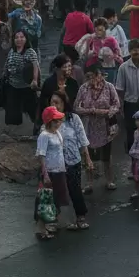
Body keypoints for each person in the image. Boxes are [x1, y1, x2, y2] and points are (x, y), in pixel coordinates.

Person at [75, 61, 121, 192]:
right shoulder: (83, 88)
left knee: (106, 155)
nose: (92, 80)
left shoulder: (109, 87)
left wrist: (105, 112)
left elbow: (116, 105)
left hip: (105, 126)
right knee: (88, 154)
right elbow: (76, 107)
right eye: (89, 77)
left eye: (94, 76)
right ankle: (89, 183)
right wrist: (90, 111)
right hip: (89, 126)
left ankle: (109, 180)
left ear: (101, 75)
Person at [49, 90, 92, 229]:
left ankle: (80, 216)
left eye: (57, 102)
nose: (54, 105)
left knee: (75, 189)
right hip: (55, 163)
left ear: (64, 104)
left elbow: (82, 139)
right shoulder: (48, 120)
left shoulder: (73, 119)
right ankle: (53, 219)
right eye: (52, 102)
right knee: (56, 191)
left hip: (73, 160)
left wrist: (88, 159)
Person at [35, 106, 71, 239]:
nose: (58, 123)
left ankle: (51, 223)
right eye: (56, 120)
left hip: (59, 170)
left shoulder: (57, 133)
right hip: (50, 171)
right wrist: (45, 174)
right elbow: (41, 156)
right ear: (49, 121)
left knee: (57, 199)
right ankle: (41, 228)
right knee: (45, 201)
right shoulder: (44, 136)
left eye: (59, 120)